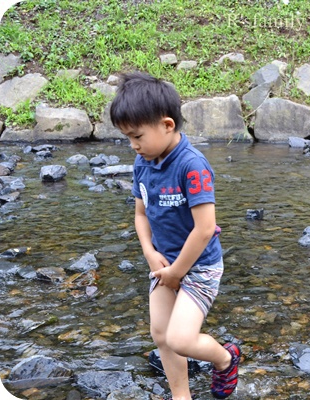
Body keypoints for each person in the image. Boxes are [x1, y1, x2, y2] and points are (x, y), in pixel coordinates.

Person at [110, 72, 240, 400]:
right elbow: (141, 214)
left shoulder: (191, 166)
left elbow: (205, 228)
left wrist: (176, 273)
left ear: (167, 125)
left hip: (198, 266)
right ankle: (181, 396)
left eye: (137, 136)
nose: (133, 145)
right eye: (127, 138)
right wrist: (150, 253)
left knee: (181, 338)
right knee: (161, 334)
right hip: (164, 262)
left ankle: (225, 359)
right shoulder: (143, 162)